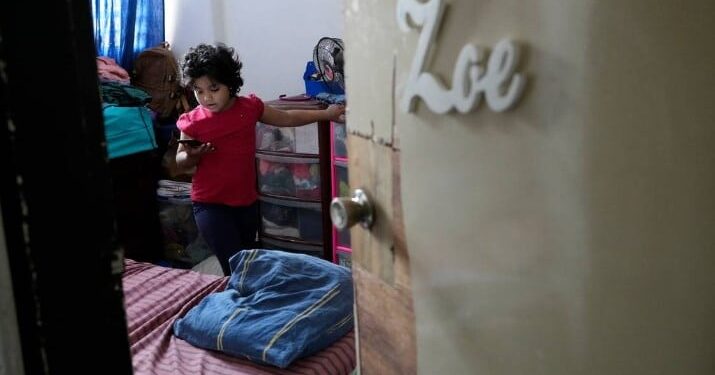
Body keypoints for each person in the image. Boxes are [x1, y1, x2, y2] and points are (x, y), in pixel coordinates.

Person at [175, 43, 345, 275]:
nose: (206, 97)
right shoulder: (192, 121)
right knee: (236, 268)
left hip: (246, 204)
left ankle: (250, 301)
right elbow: (180, 160)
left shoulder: (249, 108)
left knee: (250, 262)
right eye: (198, 90)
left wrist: (325, 114)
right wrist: (191, 155)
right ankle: (240, 305)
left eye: (213, 89)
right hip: (210, 205)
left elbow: (286, 117)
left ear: (230, 83)